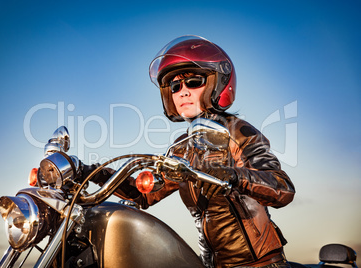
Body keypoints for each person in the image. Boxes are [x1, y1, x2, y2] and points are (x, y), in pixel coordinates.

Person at [82, 35, 295, 268]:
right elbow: (144, 195)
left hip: (260, 264)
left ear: (218, 83)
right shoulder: (182, 147)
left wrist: (232, 176)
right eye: (175, 86)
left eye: (193, 82)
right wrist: (93, 173)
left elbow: (282, 187)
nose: (182, 91)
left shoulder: (238, 131)